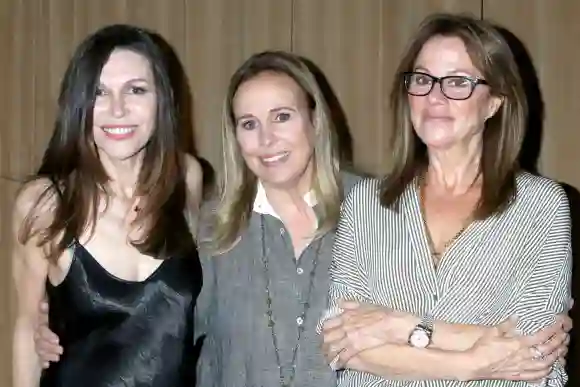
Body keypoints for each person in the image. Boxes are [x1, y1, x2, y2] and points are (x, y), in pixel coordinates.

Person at [33, 49, 571, 386]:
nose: (266, 140)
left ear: (316, 120)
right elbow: (154, 318)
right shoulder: (211, 229)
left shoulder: (381, 208)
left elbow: (436, 307)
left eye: (283, 116)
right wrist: (61, 321)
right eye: (248, 123)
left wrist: (494, 345)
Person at [319, 12, 572, 386]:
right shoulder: (365, 204)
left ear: (495, 103)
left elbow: (535, 352)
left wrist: (399, 326)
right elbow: (341, 344)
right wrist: (471, 363)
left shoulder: (541, 207)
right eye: (422, 79)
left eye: (457, 82)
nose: (435, 96)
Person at [12, 24, 203, 387]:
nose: (118, 109)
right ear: (79, 104)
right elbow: (27, 331)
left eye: (136, 90)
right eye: (99, 92)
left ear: (162, 100)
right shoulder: (44, 204)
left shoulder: (187, 178)